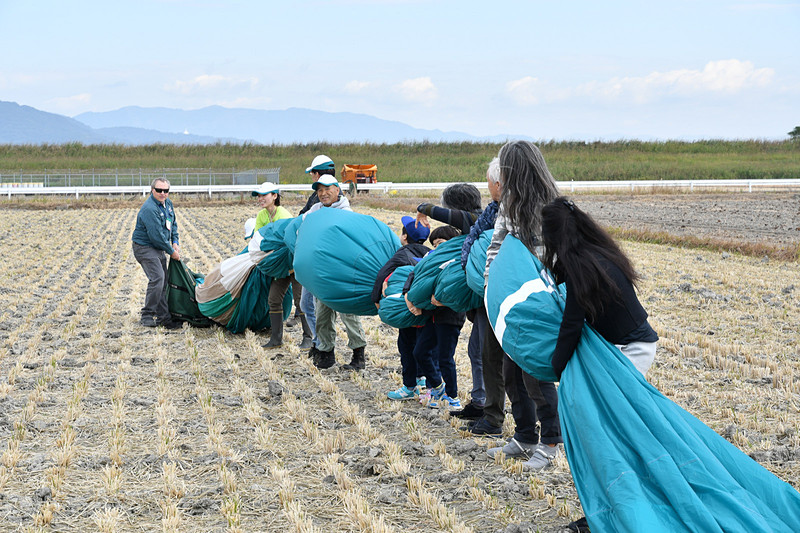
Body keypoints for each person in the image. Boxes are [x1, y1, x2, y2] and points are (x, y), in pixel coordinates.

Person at [541, 197, 658, 532]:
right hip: (635, 343)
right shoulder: (597, 253)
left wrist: (557, 368)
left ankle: (615, 509)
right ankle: (614, 505)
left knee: (608, 433)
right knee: (612, 429)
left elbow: (571, 327)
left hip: (631, 351)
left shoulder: (582, 268)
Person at [480, 141, 563, 468]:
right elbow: (496, 247)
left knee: (535, 374)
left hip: (538, 297)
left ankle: (551, 441)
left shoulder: (551, 205)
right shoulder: (509, 204)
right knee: (511, 370)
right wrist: (491, 287)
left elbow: (554, 255)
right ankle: (525, 436)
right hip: (509, 297)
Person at [303, 173, 368, 371]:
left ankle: (358, 355)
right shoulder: (315, 210)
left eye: (327, 189)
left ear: (337, 190)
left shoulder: (346, 213)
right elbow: (303, 230)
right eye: (319, 190)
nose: (323, 194)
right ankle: (326, 353)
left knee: (348, 312)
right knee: (322, 312)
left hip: (345, 272)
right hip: (322, 272)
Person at [371, 216, 431, 400]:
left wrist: (376, 300)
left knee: (406, 346)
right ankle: (422, 378)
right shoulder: (430, 254)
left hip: (405, 308)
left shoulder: (402, 254)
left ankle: (409, 386)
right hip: (426, 311)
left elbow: (382, 275)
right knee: (423, 347)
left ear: (404, 237)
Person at [251, 182, 313, 349]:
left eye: (264, 195)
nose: (260, 198)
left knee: (301, 300)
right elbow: (259, 240)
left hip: (294, 261)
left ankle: (309, 337)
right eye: (259, 195)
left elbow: (291, 241)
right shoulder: (261, 216)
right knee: (274, 299)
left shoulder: (283, 215)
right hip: (280, 265)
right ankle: (276, 338)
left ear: (275, 196)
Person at [297, 154, 335, 355]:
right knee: (306, 304)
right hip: (314, 261)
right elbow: (304, 218)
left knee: (322, 308)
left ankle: (324, 345)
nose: (322, 193)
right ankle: (318, 341)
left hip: (324, 264)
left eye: (312, 173)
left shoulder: (339, 206)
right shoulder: (317, 202)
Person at [131, 178, 182, 329]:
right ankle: (147, 314)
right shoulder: (149, 209)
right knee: (157, 278)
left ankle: (164, 318)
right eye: (159, 190)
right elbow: (156, 236)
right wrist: (172, 252)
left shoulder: (168, 204)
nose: (162, 193)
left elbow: (173, 225)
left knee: (163, 280)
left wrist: (175, 242)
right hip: (144, 247)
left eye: (166, 191)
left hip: (157, 247)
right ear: (152, 190)